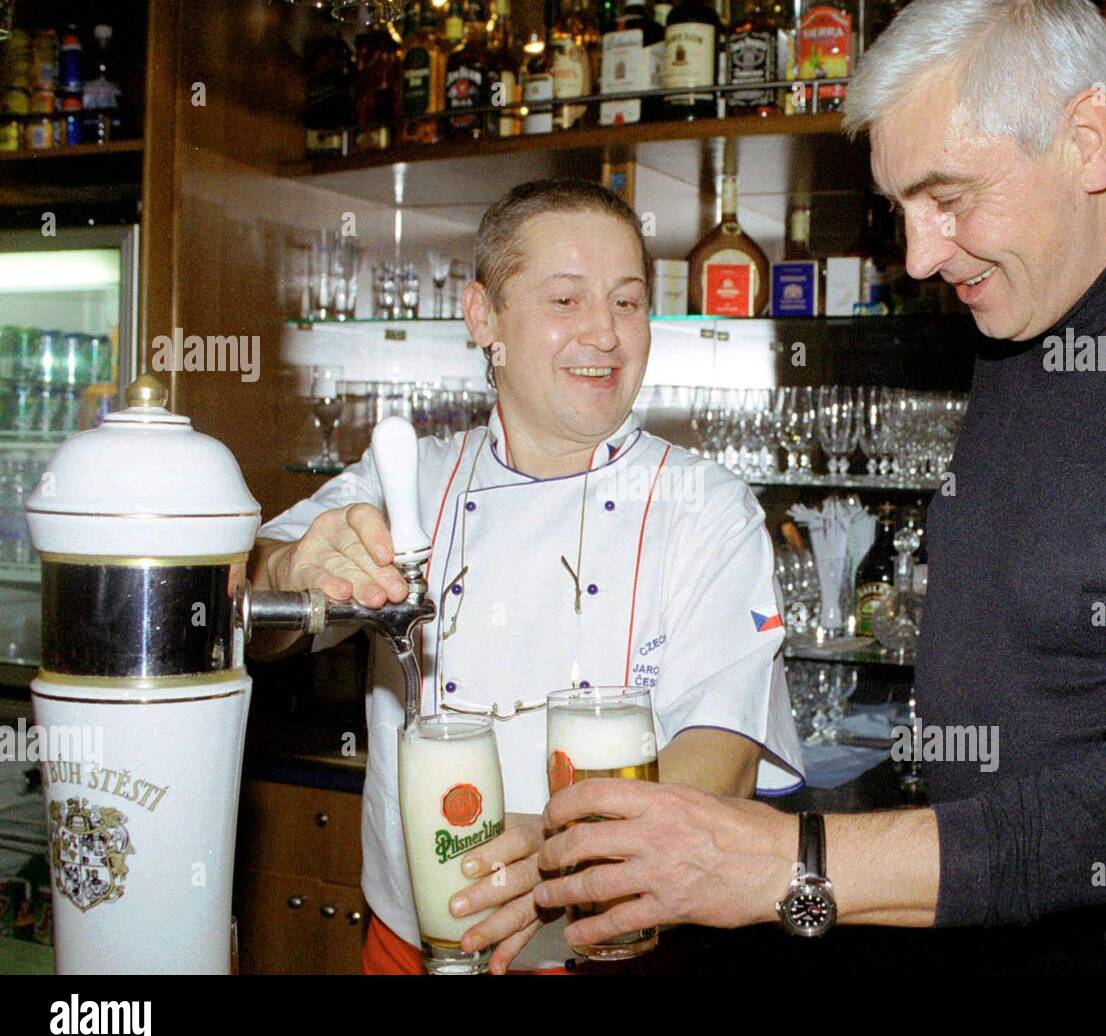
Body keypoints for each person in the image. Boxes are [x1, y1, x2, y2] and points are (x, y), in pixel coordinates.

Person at [532, 0, 1106, 974]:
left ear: (1088, 141)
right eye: (903, 208)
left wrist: (787, 857)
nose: (921, 256)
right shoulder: (1033, 294)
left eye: (948, 198)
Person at [250, 179, 804, 973]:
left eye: (627, 302)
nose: (605, 335)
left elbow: (725, 757)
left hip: (609, 953)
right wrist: (290, 566)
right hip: (409, 948)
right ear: (483, 318)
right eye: (566, 301)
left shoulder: (704, 505)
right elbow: (249, 611)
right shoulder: (407, 481)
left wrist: (560, 850)